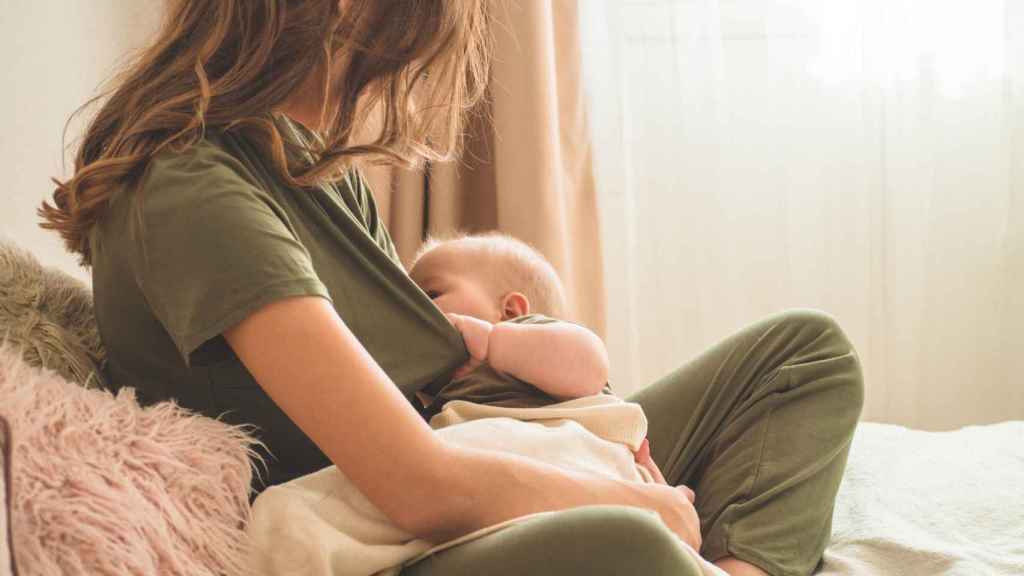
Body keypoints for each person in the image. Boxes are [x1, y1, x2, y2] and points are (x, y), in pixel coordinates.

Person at [40, 2, 863, 575]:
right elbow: (418, 486)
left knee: (805, 354)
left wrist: (589, 443)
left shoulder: (312, 165)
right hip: (405, 539)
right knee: (629, 545)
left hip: (483, 450)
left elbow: (437, 380)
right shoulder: (191, 188)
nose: (403, 69)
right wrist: (638, 504)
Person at [407, 232, 669, 485]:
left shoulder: (533, 342)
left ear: (510, 311)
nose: (413, 311)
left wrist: (491, 342)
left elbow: (590, 367)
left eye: (430, 295)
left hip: (581, 467)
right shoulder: (431, 396)